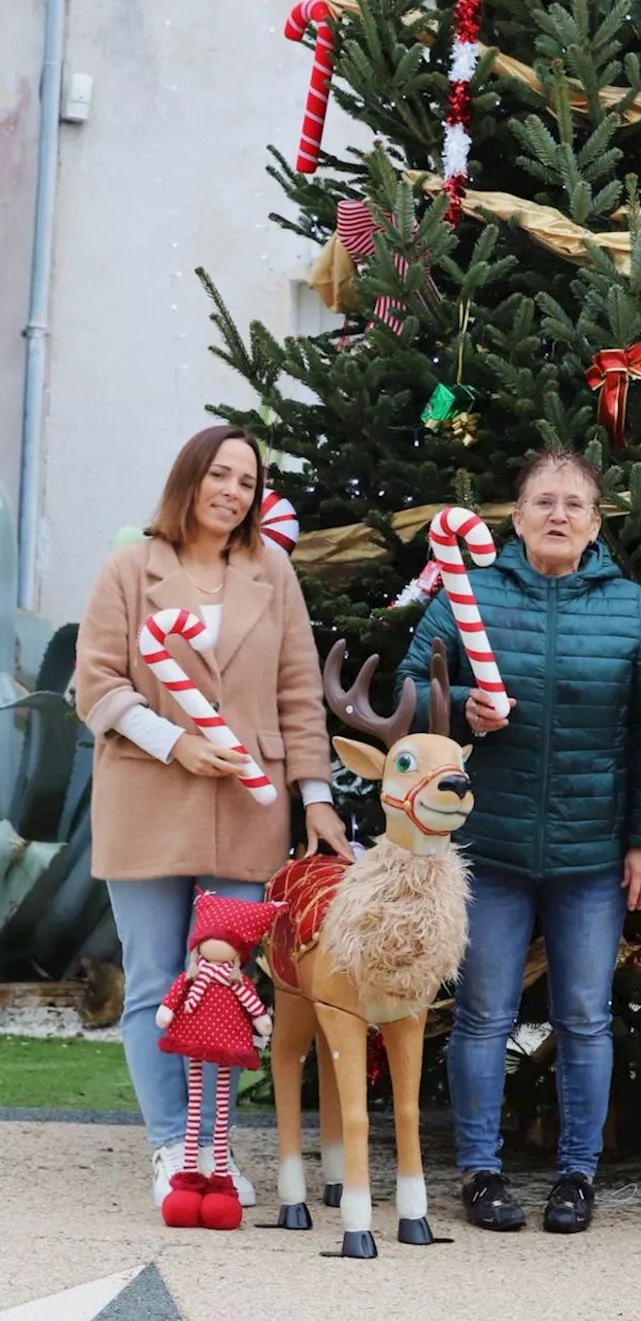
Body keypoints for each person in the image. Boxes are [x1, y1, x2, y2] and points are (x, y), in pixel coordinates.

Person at [396, 447, 641, 1235]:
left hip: (592, 854)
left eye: (575, 504)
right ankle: (482, 1170)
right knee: (484, 1013)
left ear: (596, 522)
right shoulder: (468, 597)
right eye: (543, 501)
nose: (558, 514)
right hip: (486, 845)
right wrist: (461, 706)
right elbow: (405, 689)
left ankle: (577, 1174)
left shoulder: (629, 611)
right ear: (515, 516)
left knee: (585, 1015)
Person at [77, 425, 351, 1211]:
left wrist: (319, 797)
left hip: (247, 803)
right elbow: (93, 684)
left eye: (247, 480)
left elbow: (301, 693)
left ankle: (212, 1145)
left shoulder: (273, 572)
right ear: (189, 479)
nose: (233, 491)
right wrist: (176, 744)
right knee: (156, 980)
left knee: (222, 983)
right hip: (146, 794)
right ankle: (171, 1145)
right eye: (220, 475)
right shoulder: (131, 568)